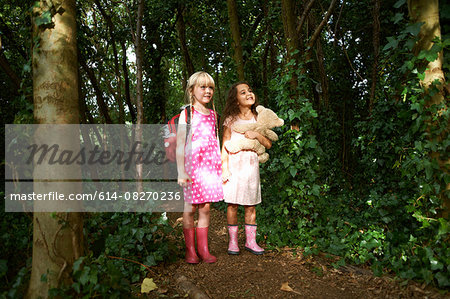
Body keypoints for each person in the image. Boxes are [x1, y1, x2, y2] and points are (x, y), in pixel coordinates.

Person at [176, 71, 223, 263]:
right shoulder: (186, 114)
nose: (207, 90)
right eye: (202, 87)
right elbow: (180, 143)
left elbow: (218, 143)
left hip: (210, 170)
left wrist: (223, 169)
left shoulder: (214, 116)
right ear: (191, 90)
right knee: (189, 209)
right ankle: (190, 251)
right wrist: (181, 171)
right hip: (191, 170)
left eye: (210, 87)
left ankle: (203, 249)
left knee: (205, 209)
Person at [221, 82, 271, 255]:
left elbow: (268, 144)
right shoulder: (231, 120)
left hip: (250, 167)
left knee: (250, 206)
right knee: (232, 205)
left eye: (250, 90)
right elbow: (225, 144)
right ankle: (233, 242)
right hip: (234, 166)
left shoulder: (258, 119)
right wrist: (224, 168)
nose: (249, 93)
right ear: (235, 100)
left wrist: (257, 135)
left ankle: (251, 242)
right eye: (243, 92)